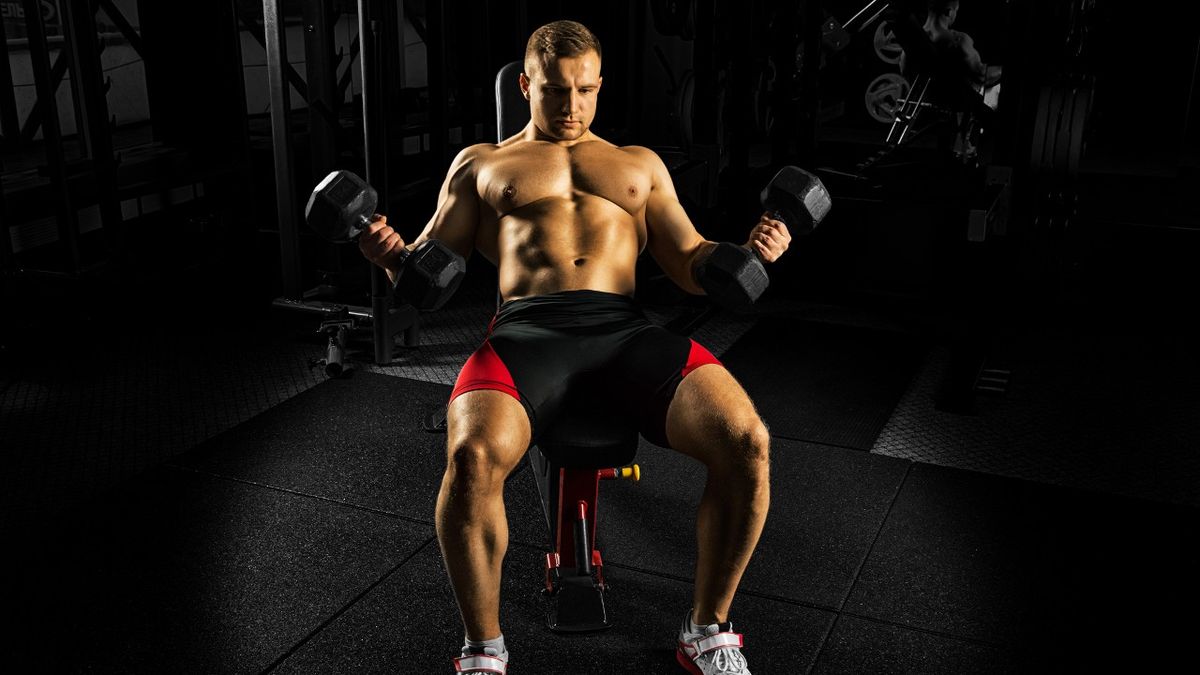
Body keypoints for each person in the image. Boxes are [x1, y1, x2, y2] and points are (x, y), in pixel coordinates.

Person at [358, 20, 789, 675]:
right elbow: (430, 269)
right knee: (472, 457)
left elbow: (688, 258)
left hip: (623, 329)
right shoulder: (482, 163)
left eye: (585, 90)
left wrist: (750, 252)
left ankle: (708, 629)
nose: (572, 107)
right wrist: (389, 255)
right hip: (527, 333)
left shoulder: (638, 164)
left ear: (599, 85)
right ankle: (484, 650)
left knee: (747, 439)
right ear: (525, 84)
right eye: (556, 91)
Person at [922, 0, 1002, 109]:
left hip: (921, 110)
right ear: (949, 12)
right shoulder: (957, 40)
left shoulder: (912, 38)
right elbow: (982, 75)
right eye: (956, 11)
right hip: (951, 113)